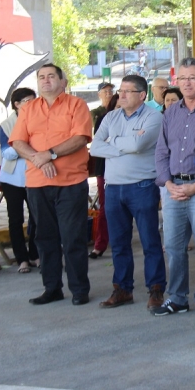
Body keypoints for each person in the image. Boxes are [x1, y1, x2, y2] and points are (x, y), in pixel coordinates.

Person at [11, 64, 93, 306]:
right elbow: (17, 141)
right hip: (37, 181)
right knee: (44, 238)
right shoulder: (29, 109)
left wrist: (50, 154)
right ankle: (52, 288)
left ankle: (79, 289)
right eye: (41, 77)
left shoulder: (76, 105)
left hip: (71, 181)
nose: (46, 81)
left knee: (72, 238)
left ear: (62, 81)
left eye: (51, 76)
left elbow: (80, 138)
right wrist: (39, 158)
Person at [89, 75, 166, 311]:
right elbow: (95, 147)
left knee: (149, 241)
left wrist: (114, 144)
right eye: (120, 91)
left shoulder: (154, 117)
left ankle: (156, 289)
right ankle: (122, 289)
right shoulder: (110, 116)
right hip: (112, 188)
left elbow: (138, 146)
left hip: (142, 186)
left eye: (127, 91)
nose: (120, 95)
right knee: (119, 243)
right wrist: (126, 142)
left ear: (142, 95)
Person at [153, 57, 195, 317]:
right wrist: (167, 184)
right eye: (182, 78)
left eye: (193, 77)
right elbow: (161, 153)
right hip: (173, 189)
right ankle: (177, 298)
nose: (187, 83)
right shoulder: (170, 112)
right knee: (173, 247)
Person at [0, 87, 39, 273]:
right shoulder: (6, 125)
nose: (32, 104)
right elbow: (8, 153)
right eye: (27, 101)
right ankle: (21, 259)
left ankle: (35, 255)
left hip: (35, 175)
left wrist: (22, 146)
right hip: (12, 179)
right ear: (17, 104)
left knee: (37, 217)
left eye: (33, 100)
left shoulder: (39, 120)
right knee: (15, 219)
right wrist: (27, 146)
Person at [89, 82, 114, 259]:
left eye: (111, 91)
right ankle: (100, 244)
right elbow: (97, 145)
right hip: (104, 168)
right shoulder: (99, 116)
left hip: (129, 170)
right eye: (106, 92)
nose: (109, 94)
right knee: (105, 208)